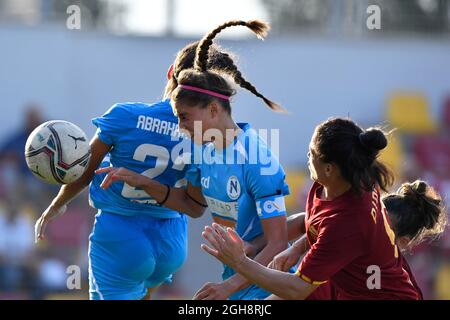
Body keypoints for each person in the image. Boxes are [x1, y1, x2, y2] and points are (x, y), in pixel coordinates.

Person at [34, 20, 269, 300]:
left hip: (121, 234)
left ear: (171, 73)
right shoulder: (211, 140)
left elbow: (85, 170)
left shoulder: (125, 116)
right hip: (171, 242)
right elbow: (194, 206)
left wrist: (56, 206)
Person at [97, 20, 291, 300]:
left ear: (213, 109)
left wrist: (228, 287)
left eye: (184, 117)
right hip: (235, 283)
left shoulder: (258, 159)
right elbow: (192, 205)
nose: (179, 126)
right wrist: (142, 182)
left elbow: (278, 243)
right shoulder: (202, 152)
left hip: (267, 287)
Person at [201, 118, 426, 299]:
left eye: (312, 154)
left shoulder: (349, 221)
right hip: (343, 282)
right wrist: (294, 248)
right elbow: (313, 223)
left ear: (329, 168)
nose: (308, 157)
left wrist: (239, 262)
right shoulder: (344, 183)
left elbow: (296, 289)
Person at [262, 179, 447, 299]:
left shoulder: (401, 289)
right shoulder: (340, 254)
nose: (367, 230)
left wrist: (240, 263)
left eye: (383, 229)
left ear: (403, 242)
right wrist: (295, 249)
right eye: (373, 222)